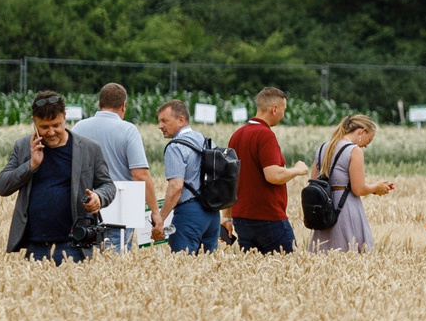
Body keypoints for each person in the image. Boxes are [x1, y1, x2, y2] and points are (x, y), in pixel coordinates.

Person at [0, 92, 117, 262]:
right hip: (36, 243)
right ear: (34, 122)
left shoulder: (90, 149)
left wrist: (98, 197)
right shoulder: (24, 147)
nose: (51, 132)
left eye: (56, 125)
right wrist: (31, 165)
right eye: (44, 127)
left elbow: (108, 186)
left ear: (64, 118)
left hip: (75, 243)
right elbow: (2, 186)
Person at [71, 83, 154, 251]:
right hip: (121, 210)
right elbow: (140, 175)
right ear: (124, 106)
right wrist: (155, 212)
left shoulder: (78, 128)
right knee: (115, 268)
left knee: (84, 264)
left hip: (84, 210)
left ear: (99, 104)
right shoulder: (128, 130)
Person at [228, 88, 307, 254]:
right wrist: (297, 170)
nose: (283, 116)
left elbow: (229, 180)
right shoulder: (265, 135)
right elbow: (273, 176)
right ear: (274, 109)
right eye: (283, 110)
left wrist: (227, 217)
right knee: (289, 267)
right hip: (267, 216)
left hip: (241, 217)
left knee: (254, 272)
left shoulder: (237, 135)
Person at [309, 113, 392, 253]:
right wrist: (375, 188)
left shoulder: (322, 148)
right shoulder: (354, 150)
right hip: (345, 208)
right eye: (369, 140)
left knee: (324, 256)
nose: (366, 145)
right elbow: (358, 189)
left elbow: (313, 182)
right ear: (362, 131)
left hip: (324, 210)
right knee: (351, 252)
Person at [153, 99, 225, 254]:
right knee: (209, 268)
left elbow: (176, 186)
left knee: (183, 267)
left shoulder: (175, 147)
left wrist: (161, 218)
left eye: (164, 121)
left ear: (181, 120)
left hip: (189, 214)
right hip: (212, 214)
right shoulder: (207, 141)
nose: (160, 126)